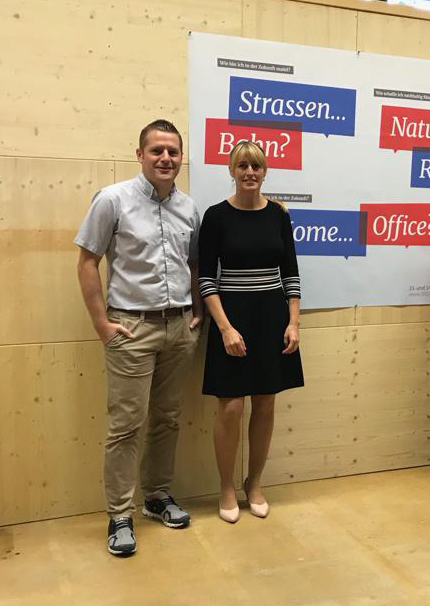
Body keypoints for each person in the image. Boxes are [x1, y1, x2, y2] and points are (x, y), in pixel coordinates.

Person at [75, 119, 202, 557]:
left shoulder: (188, 207)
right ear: (140, 155)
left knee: (167, 418)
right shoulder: (113, 200)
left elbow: (193, 264)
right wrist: (101, 325)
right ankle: (119, 515)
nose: (166, 158)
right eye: (157, 151)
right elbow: (87, 262)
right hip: (131, 328)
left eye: (173, 152)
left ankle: (157, 497)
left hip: (179, 328)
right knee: (126, 425)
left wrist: (196, 311)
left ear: (181, 158)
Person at [198, 140, 304, 523]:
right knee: (230, 408)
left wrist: (293, 322)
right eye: (242, 166)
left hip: (271, 319)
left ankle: (253, 483)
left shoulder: (278, 215)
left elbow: (290, 274)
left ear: (264, 171)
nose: (249, 172)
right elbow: (206, 279)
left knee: (266, 403)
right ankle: (226, 487)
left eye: (256, 166)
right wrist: (225, 328)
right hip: (231, 320)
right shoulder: (215, 216)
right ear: (232, 170)